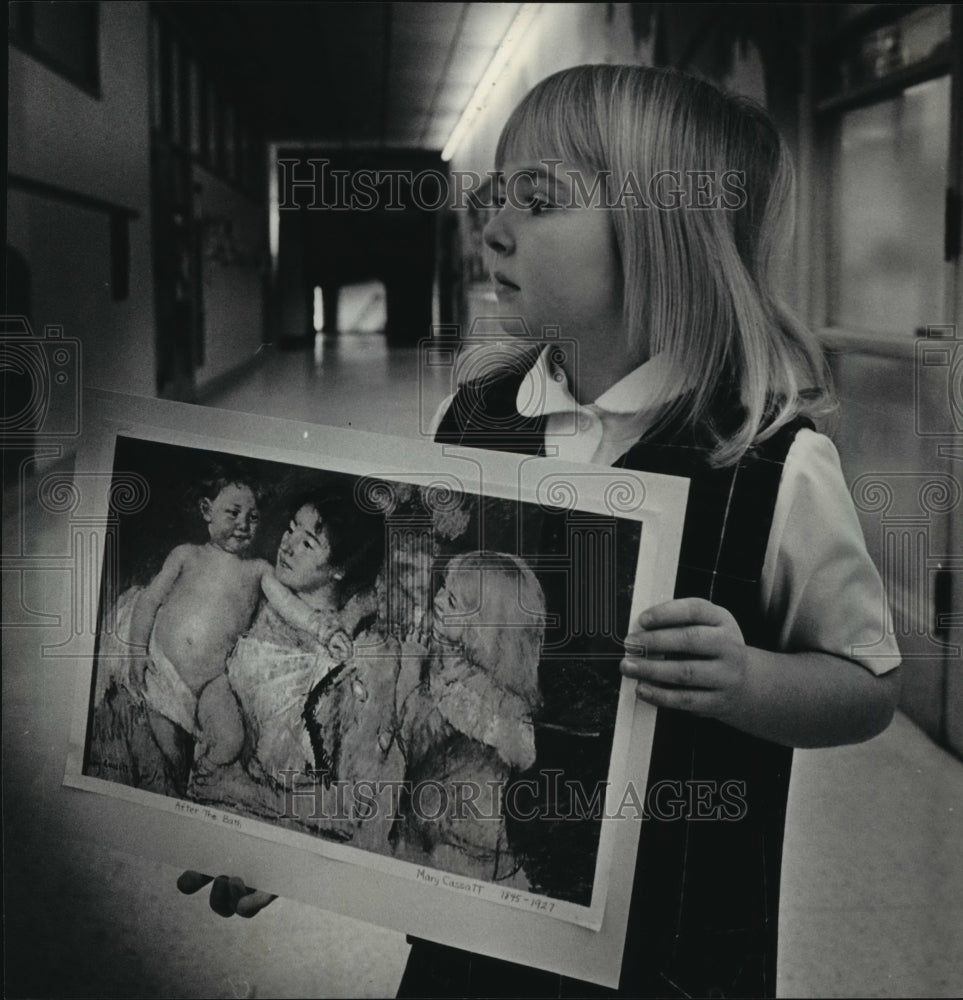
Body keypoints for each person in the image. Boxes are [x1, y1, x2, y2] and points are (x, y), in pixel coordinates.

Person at [182, 63, 901, 999]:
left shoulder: (768, 461)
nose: (492, 225)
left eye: (538, 197)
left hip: (672, 950)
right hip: (467, 918)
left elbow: (865, 687)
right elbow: (403, 665)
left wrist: (749, 681)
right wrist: (300, 838)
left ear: (657, 232)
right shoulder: (472, 416)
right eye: (493, 193)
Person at [94, 465, 348, 797]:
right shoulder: (186, 555)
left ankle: (206, 774)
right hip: (164, 670)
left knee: (231, 741)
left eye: (253, 517)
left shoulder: (258, 571)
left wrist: (324, 631)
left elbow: (291, 607)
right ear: (206, 511)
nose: (243, 524)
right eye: (233, 513)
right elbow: (148, 601)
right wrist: (138, 651)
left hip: (212, 682)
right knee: (167, 759)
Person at [389, 550, 545, 883]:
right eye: (443, 588)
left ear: (483, 627)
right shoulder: (432, 657)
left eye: (454, 601)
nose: (439, 599)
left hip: (469, 848)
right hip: (418, 825)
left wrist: (428, 681)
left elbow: (523, 751)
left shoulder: (497, 695)